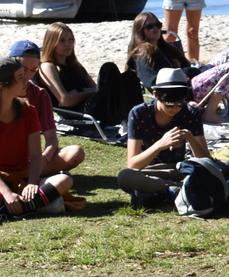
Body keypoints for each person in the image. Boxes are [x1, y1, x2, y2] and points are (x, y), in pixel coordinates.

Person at [116, 68, 210, 208]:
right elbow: (133, 164)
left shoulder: (190, 113)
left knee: (209, 172)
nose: (175, 109)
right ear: (155, 94)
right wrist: (160, 144)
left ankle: (163, 193)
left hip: (179, 169)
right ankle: (177, 190)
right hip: (150, 170)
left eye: (179, 104)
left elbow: (205, 161)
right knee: (124, 176)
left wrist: (190, 139)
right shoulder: (139, 113)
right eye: (169, 104)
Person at [127, 11, 229, 123]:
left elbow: (187, 66)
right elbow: (152, 82)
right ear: (140, 31)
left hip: (192, 80)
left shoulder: (165, 48)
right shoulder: (142, 54)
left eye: (158, 25)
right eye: (150, 26)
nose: (156, 29)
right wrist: (185, 73)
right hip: (184, 91)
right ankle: (209, 114)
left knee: (228, 55)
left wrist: (197, 70)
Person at [1, 57, 74, 219]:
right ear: (3, 84)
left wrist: (33, 183)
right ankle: (28, 205)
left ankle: (12, 209)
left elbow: (35, 155)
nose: (27, 79)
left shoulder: (28, 110)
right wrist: (6, 193)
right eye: (20, 77)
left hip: (23, 174)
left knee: (64, 180)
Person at [8, 40, 83, 175]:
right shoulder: (4, 91)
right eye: (23, 69)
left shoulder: (39, 95)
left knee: (75, 153)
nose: (27, 75)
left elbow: (51, 138)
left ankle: (27, 174)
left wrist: (44, 158)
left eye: (33, 71)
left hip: (30, 159)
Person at [37, 22, 133, 125]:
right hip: (78, 111)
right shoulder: (48, 66)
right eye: (62, 40)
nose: (68, 44)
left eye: (71, 40)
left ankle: (136, 119)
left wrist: (84, 92)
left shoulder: (75, 65)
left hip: (92, 105)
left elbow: (96, 89)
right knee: (108, 68)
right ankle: (128, 119)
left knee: (130, 76)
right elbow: (65, 100)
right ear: (51, 43)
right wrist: (90, 92)